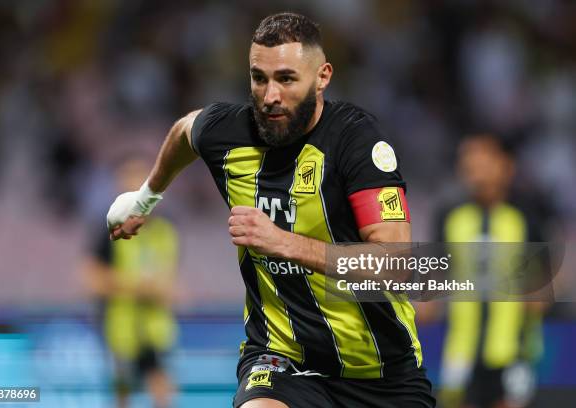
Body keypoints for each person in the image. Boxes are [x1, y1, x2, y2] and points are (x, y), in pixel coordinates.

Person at [106, 12, 434, 408]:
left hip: (381, 371)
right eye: (259, 78)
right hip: (283, 360)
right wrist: (145, 198)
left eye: (286, 79)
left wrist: (284, 243)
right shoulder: (226, 132)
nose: (269, 95)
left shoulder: (356, 142)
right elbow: (183, 132)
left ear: (323, 77)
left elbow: (397, 264)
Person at [433, 134, 546, 408]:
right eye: (468, 161)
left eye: (483, 159)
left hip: (512, 350)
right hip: (461, 351)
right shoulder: (450, 217)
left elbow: (543, 283)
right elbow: (434, 278)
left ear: (506, 166)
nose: (474, 168)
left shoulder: (525, 218)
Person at [86, 157, 178, 408]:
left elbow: (172, 281)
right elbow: (91, 278)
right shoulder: (106, 229)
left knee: (161, 388)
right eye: (128, 178)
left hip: (155, 328)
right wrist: (136, 287)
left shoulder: (166, 230)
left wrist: (168, 292)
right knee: (122, 390)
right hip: (121, 327)